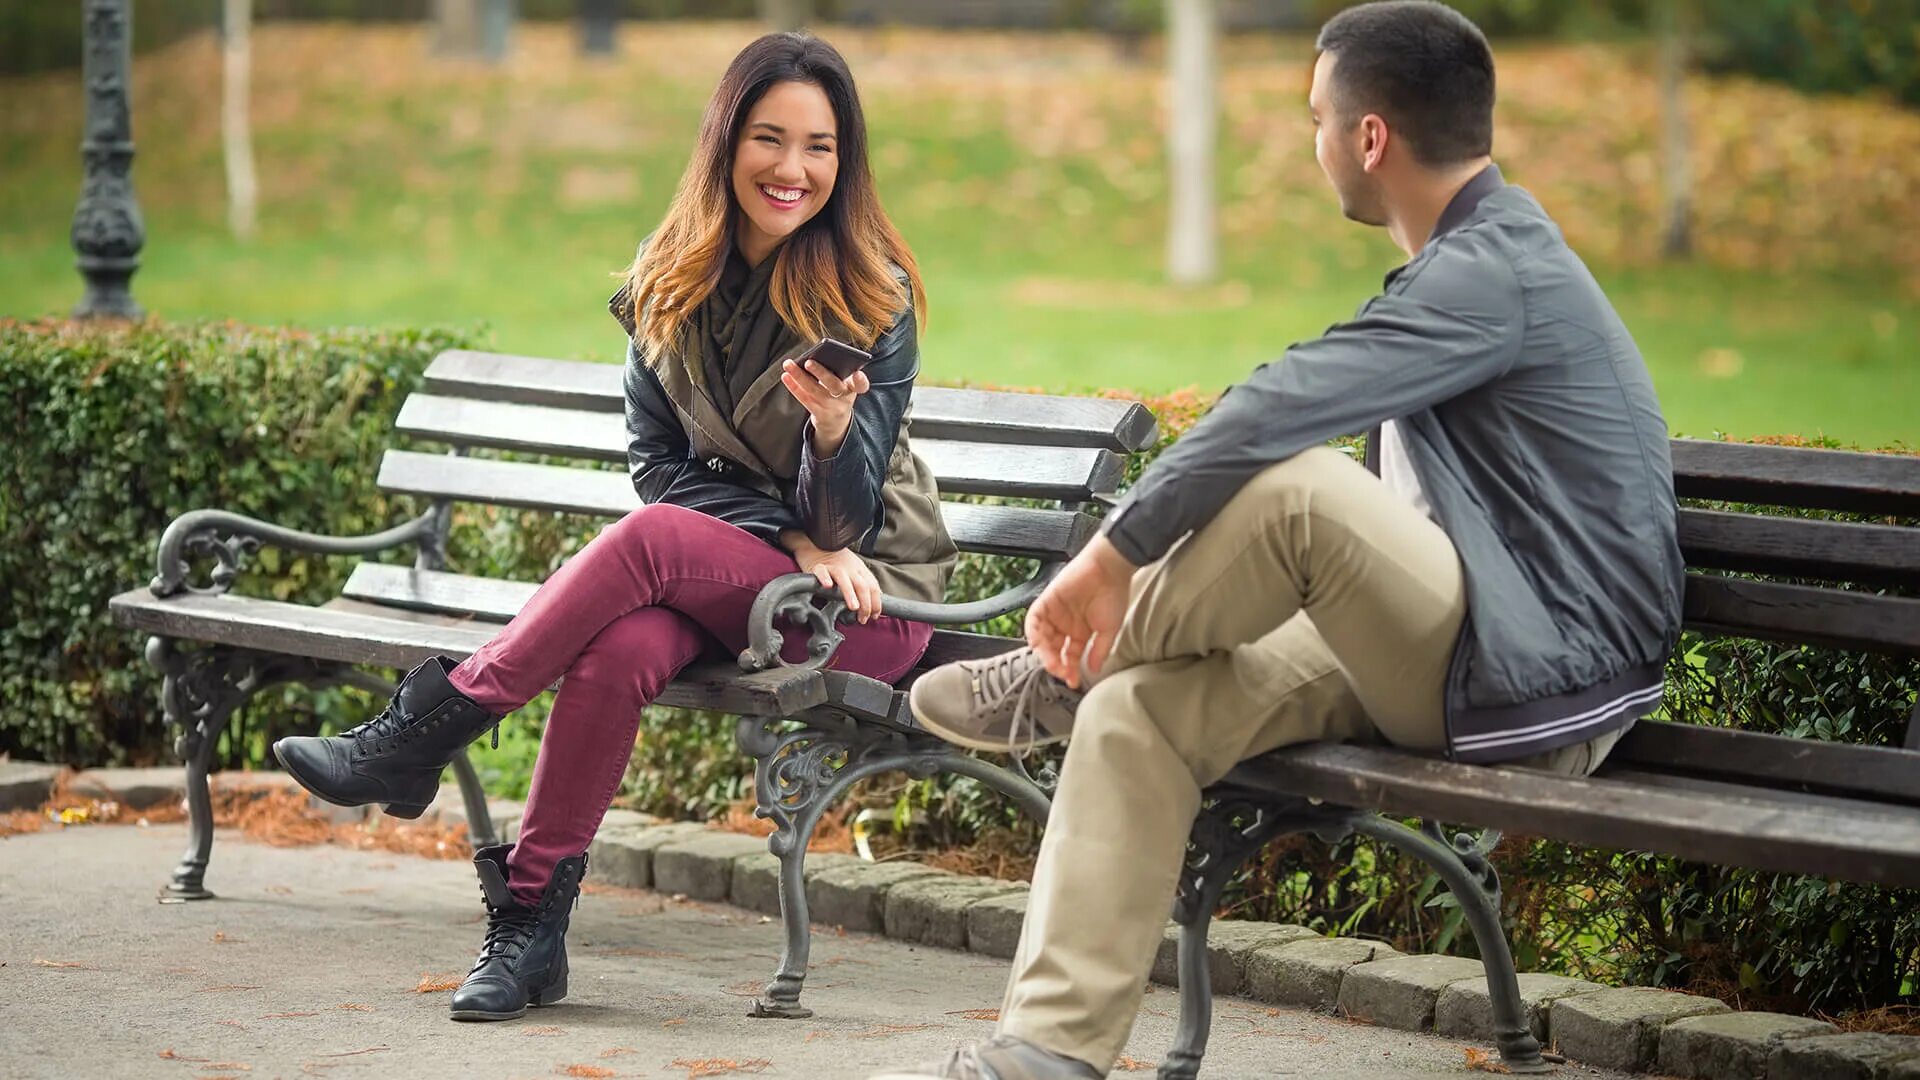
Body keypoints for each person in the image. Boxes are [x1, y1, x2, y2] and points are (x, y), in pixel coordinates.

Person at [877, 3, 1683, 1077]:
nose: (1313, 141)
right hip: (1473, 648)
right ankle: (1045, 1056)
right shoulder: (1476, 264)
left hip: (1535, 684)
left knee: (1297, 490)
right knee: (1136, 713)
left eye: (1317, 117)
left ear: (1369, 138)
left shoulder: (1495, 273)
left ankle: (1065, 657)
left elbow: (1278, 405)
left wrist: (1112, 557)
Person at [272, 31, 956, 1023]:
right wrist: (787, 536)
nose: (793, 169)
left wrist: (832, 432)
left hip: (864, 598)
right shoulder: (668, 277)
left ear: (844, 164)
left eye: (820, 147)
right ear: (727, 141)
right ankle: (531, 933)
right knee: (623, 643)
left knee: (646, 547)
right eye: (771, 139)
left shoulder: (872, 294)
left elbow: (845, 523)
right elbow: (660, 467)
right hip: (751, 576)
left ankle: (427, 728)